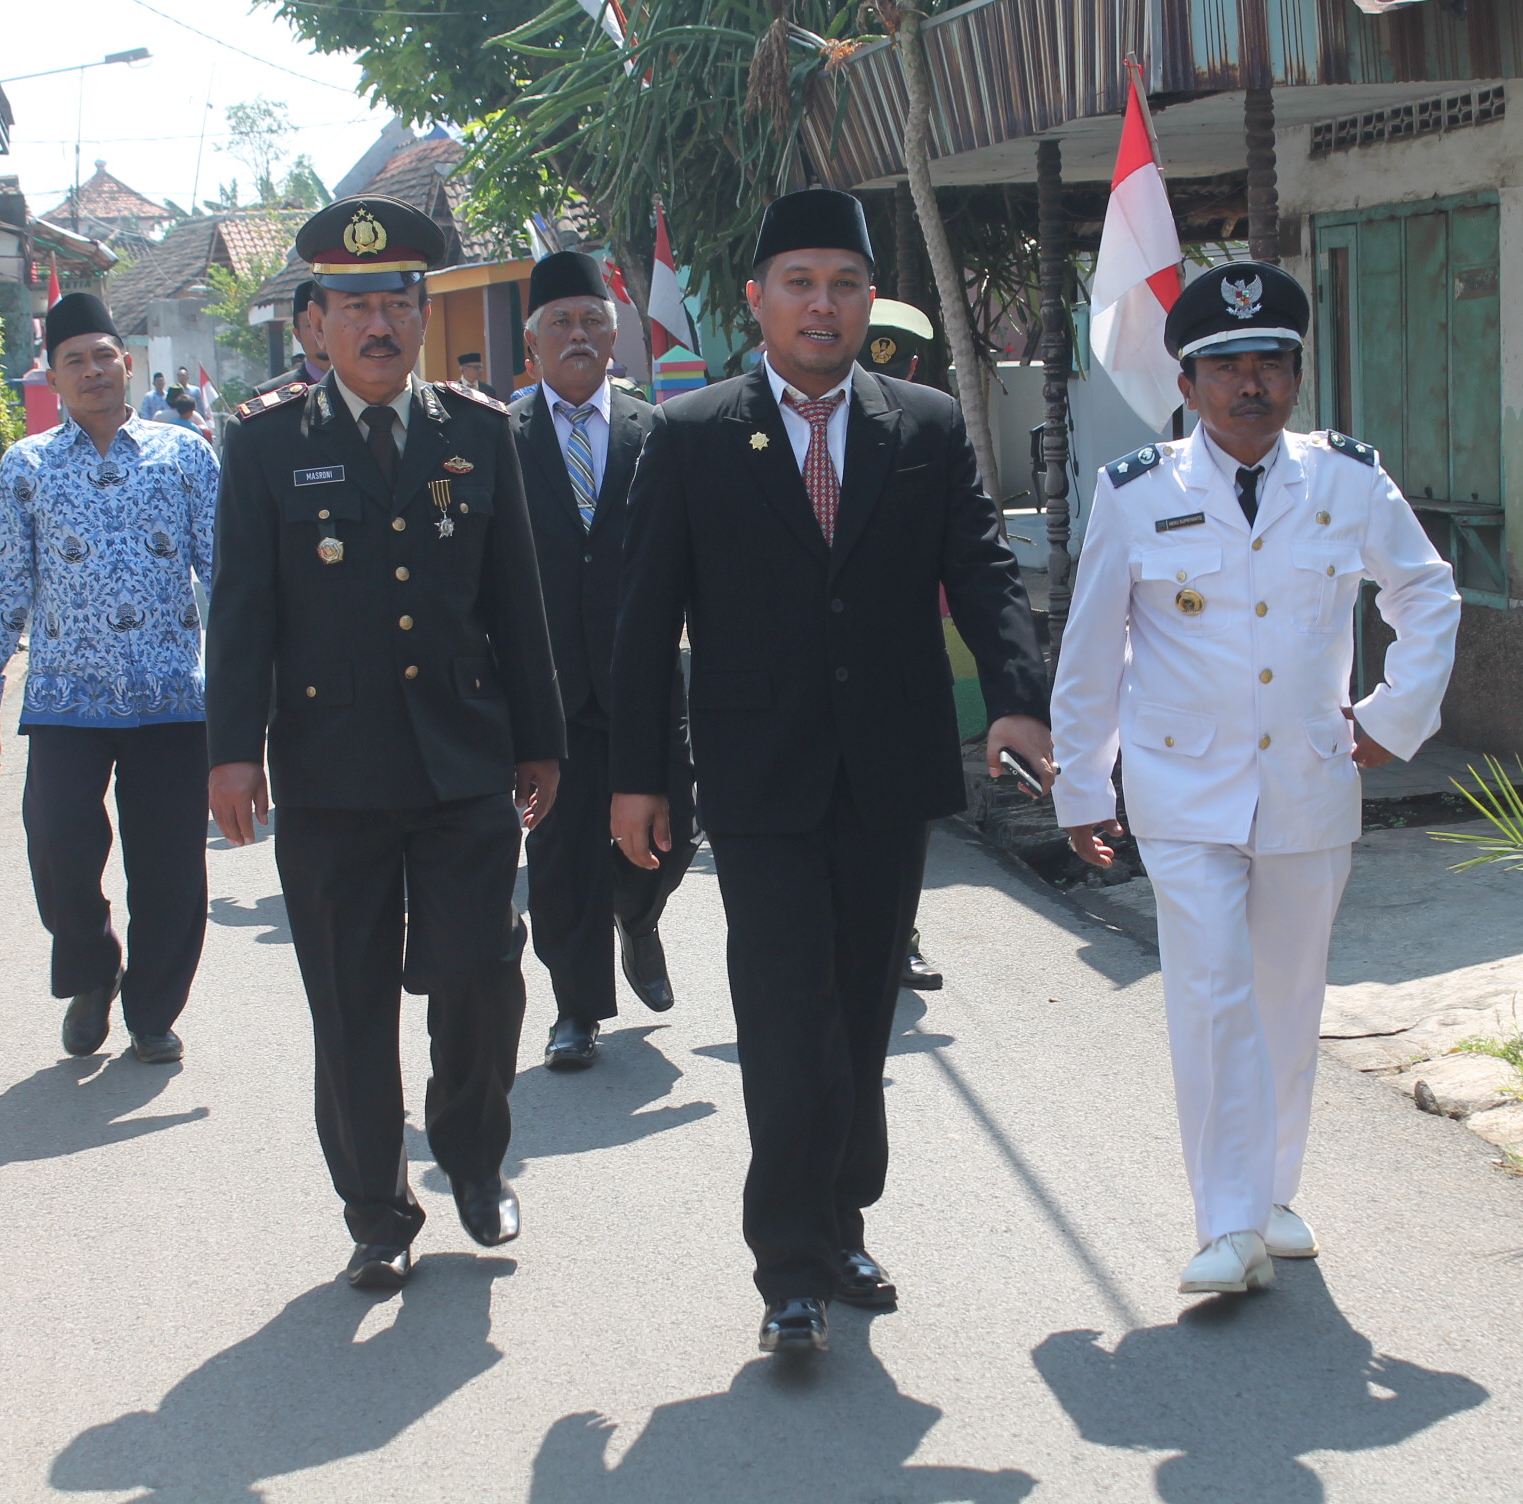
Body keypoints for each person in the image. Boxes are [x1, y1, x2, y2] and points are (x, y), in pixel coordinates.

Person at [610, 189, 1051, 1354]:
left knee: (861, 1011)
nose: (823, 304)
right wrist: (640, 774)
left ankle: (845, 1215)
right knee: (781, 1012)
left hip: (887, 772)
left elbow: (987, 571)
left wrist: (1016, 699)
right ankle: (788, 1264)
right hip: (757, 777)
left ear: (868, 302)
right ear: (756, 300)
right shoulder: (693, 433)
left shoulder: (927, 424)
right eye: (799, 282)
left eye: (844, 284)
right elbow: (643, 620)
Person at [1049, 261, 1461, 1296]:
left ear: (1295, 375)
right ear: (1186, 387)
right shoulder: (1136, 492)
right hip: (1183, 791)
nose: (1250, 384)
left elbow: (1427, 592)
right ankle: (1224, 1220)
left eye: (1270, 363)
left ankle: (1272, 1195)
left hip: (1311, 781)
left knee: (1287, 997)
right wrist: (1083, 789)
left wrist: (1393, 716)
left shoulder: (1348, 480)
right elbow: (1093, 651)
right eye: (1225, 366)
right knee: (1211, 992)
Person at [207, 196, 564, 1294]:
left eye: (395, 303)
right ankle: (375, 1208)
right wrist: (232, 752)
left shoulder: (479, 432)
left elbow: (518, 601)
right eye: (353, 305)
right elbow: (243, 609)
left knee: (482, 978)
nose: (377, 324)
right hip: (331, 771)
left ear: (421, 315)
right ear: (315, 323)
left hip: (462, 759)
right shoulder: (267, 445)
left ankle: (472, 1154)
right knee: (350, 1002)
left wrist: (541, 739)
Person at [0, 291, 219, 1065]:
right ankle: (91, 970)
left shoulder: (185, 456)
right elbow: (0, 579)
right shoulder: (28, 466)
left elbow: (227, 573)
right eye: (74, 360)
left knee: (171, 864)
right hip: (68, 700)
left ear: (128, 363)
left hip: (172, 698)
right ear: (54, 376)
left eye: (104, 355)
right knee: (58, 848)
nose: (92, 371)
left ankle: (153, 1013)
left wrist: (251, 685)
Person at [513, 252, 692, 1072]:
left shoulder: (656, 431)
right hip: (545, 686)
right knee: (557, 858)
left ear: (614, 338)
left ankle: (640, 918)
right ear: (533, 344)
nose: (577, 335)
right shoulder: (499, 438)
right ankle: (574, 1009)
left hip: (645, 678)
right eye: (561, 323)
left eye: (591, 321)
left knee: (672, 835)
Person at [856, 297, 950, 995]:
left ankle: (901, 934)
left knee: (902, 819)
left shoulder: (928, 429)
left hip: (897, 664)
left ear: (912, 367)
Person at [257, 279, 330, 396]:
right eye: (311, 325)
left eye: (327, 323)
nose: (320, 331)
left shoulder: (367, 384)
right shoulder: (272, 393)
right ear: (297, 335)